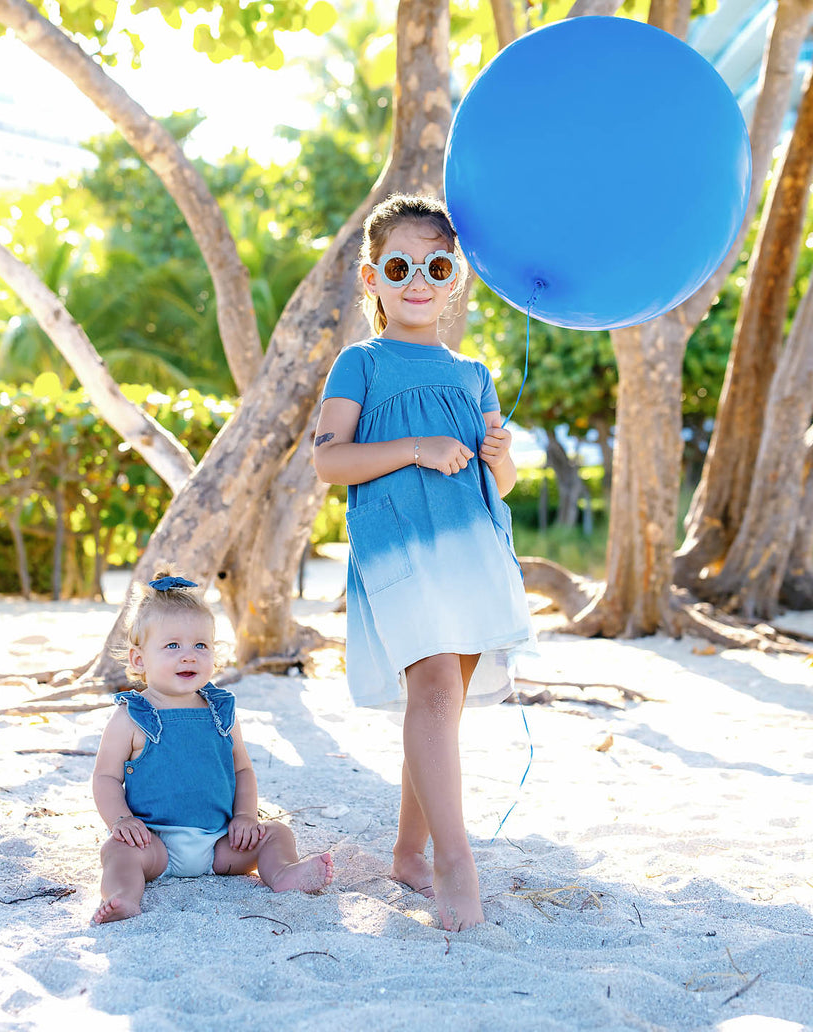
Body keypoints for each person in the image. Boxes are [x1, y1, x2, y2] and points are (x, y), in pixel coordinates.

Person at [311, 193, 536, 932]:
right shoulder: (361, 363)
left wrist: (502, 461)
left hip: (471, 552)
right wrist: (413, 449)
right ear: (372, 277)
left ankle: (408, 850)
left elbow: (495, 483)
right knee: (434, 692)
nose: (419, 280)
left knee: (442, 705)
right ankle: (452, 859)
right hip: (400, 552)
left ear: (455, 278)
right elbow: (329, 461)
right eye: (400, 266)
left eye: (435, 265)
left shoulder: (473, 372)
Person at [90, 569, 335, 925]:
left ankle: (283, 874)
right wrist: (121, 820)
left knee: (277, 834)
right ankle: (123, 897)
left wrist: (246, 817)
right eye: (173, 645)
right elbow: (105, 778)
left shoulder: (221, 711)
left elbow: (242, 770)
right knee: (116, 852)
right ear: (139, 660)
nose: (188, 656)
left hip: (221, 843)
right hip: (154, 844)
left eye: (200, 645)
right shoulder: (131, 716)